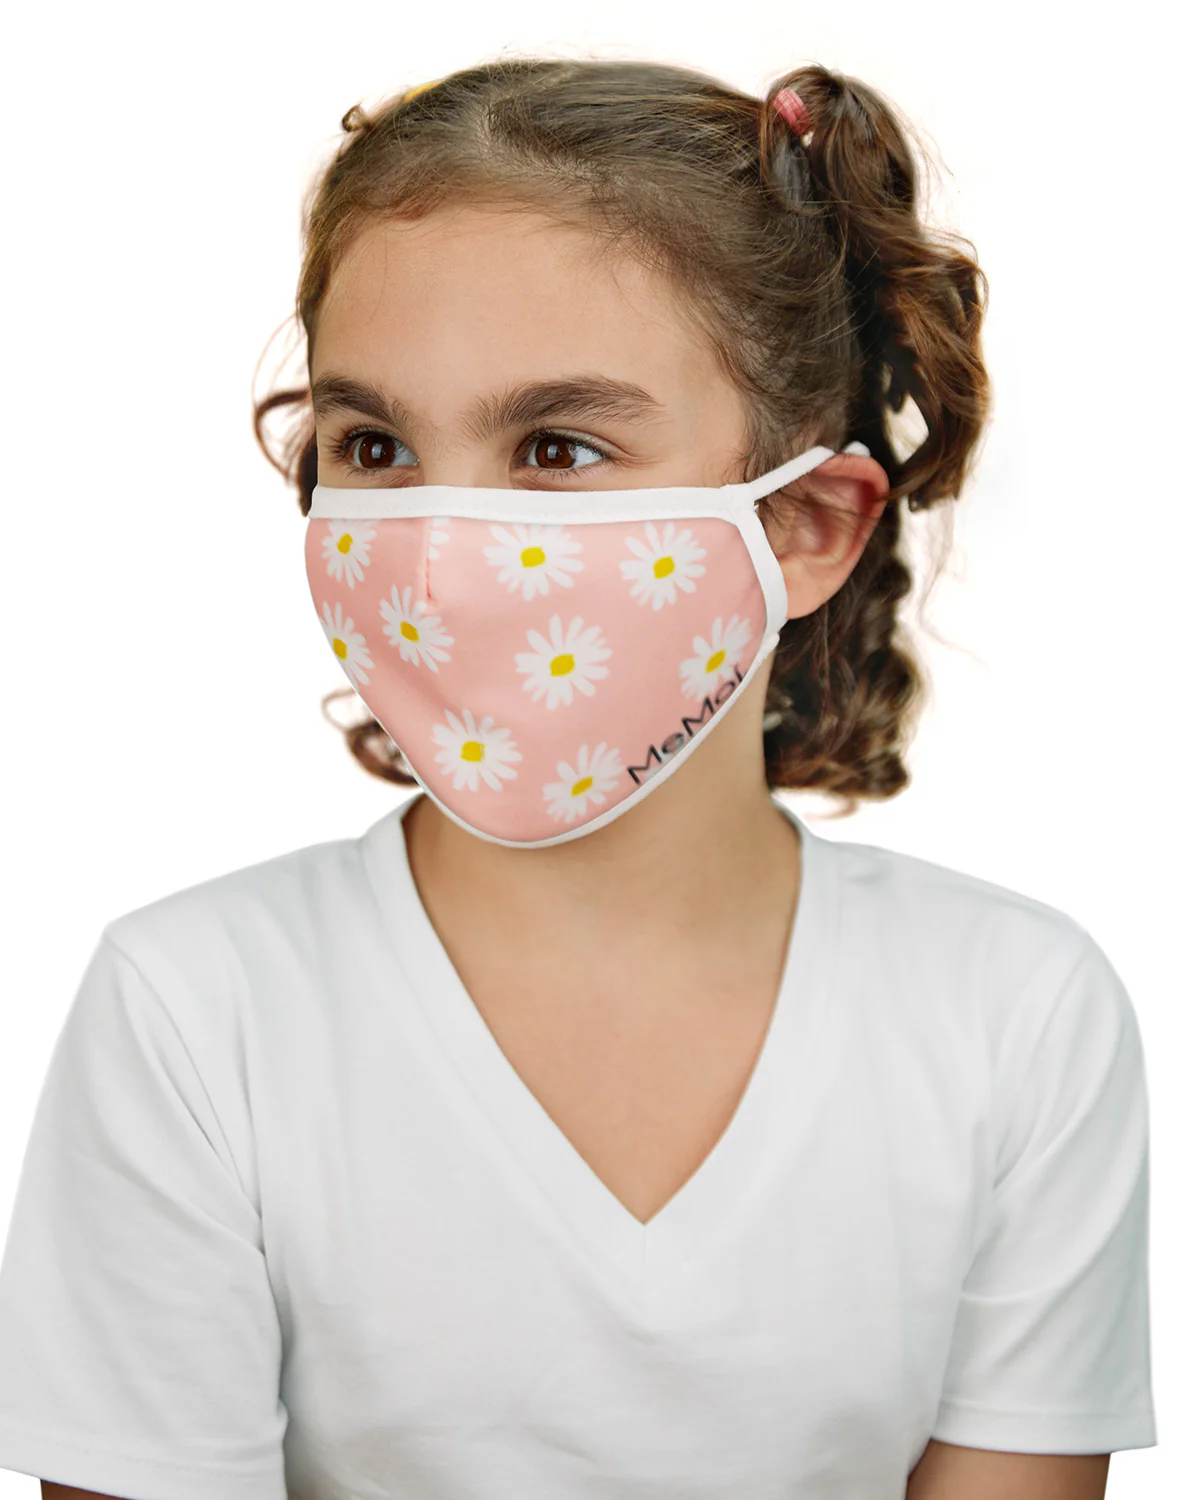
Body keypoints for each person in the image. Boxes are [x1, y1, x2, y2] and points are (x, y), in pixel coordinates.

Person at [0, 55, 1155, 1500]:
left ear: (805, 525)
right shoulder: (195, 1012)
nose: (439, 550)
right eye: (375, 446)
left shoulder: (1013, 1017)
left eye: (556, 447)